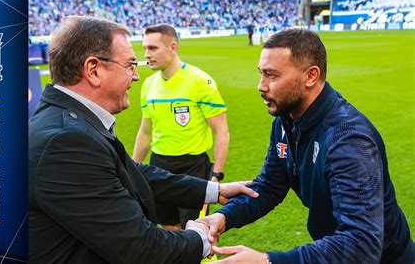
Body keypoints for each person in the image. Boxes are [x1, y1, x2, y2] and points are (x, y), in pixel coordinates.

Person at [28, 16, 258, 263]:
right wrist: (200, 236)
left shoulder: (66, 121)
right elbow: (141, 249)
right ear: (93, 70)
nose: (136, 76)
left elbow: (129, 171)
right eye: (129, 65)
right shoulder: (67, 143)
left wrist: (213, 190)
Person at [199, 29, 414, 263]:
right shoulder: (285, 121)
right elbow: (270, 186)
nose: (261, 86)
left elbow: (361, 244)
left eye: (272, 76)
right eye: (261, 74)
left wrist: (268, 261)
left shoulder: (348, 140)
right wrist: (223, 217)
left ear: (311, 76)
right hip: (333, 250)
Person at [133, 24, 230, 230]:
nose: (146, 54)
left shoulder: (200, 81)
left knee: (196, 231)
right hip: (158, 166)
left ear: (173, 47)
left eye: (152, 48)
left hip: (192, 167)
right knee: (168, 229)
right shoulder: (148, 85)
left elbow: (221, 130)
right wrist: (132, 169)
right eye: (144, 48)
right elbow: (145, 131)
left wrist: (217, 175)